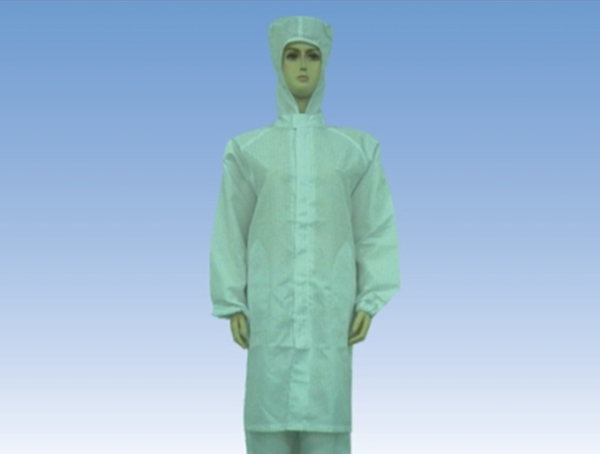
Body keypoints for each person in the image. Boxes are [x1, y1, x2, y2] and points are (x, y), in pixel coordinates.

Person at [209, 15, 401, 454]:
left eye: (312, 55)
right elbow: (230, 229)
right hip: (269, 318)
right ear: (277, 63)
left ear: (324, 62)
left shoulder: (356, 150)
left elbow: (374, 228)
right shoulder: (247, 150)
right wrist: (232, 300)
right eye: (292, 55)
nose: (302, 65)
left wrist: (369, 299)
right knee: (268, 428)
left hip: (329, 320)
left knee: (326, 428)